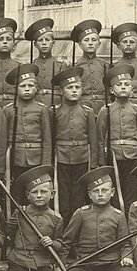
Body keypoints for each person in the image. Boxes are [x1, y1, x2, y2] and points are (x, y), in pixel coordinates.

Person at [0, 165, 71, 271]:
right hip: (19, 262)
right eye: (34, 192)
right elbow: (8, 233)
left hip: (42, 264)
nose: (39, 195)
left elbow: (60, 244)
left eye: (43, 191)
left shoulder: (56, 218)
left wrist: (52, 243)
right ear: (27, 195)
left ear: (52, 193)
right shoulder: (20, 213)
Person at [63, 164, 137, 271]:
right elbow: (67, 242)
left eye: (104, 190)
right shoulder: (81, 213)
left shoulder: (118, 215)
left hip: (110, 263)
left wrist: (127, 257)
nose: (100, 194)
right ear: (89, 194)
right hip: (87, 263)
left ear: (112, 192)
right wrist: (60, 265)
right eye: (95, 191)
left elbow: (125, 243)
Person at [98, 61, 137, 213]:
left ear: (132, 89)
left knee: (131, 194)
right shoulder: (105, 110)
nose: (123, 87)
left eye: (127, 84)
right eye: (119, 85)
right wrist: (101, 162)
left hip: (133, 157)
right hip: (112, 157)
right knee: (113, 194)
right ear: (112, 90)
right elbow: (100, 139)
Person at [51, 65, 99, 222]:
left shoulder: (87, 112)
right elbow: (50, 139)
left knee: (79, 197)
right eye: (69, 87)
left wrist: (94, 164)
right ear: (61, 91)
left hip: (82, 158)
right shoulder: (54, 112)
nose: (74, 91)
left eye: (77, 87)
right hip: (61, 159)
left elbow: (93, 140)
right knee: (62, 197)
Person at [4, 63, 52, 186]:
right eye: (22, 86)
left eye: (30, 85)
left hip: (36, 158)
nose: (27, 89)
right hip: (15, 159)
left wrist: (45, 165)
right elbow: (3, 140)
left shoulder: (42, 109)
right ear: (15, 89)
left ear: (36, 88)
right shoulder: (8, 110)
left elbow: (47, 140)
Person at [70, 18, 107, 114]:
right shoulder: (75, 66)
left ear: (99, 44)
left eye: (94, 40)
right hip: (81, 107)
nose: (90, 43)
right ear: (80, 44)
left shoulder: (104, 65)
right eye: (86, 40)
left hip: (102, 107)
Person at [25, 16, 64, 105]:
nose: (44, 43)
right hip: (36, 105)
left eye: (47, 40)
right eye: (40, 40)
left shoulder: (60, 65)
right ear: (35, 44)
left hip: (56, 104)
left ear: (53, 43)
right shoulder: (31, 65)